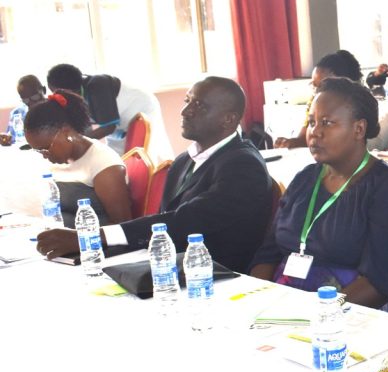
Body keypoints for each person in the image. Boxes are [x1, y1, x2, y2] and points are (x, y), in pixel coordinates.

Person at [35, 77, 273, 273]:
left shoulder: (243, 165)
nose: (185, 111)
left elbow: (184, 221)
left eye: (199, 106)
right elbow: (163, 224)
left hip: (216, 275)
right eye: (187, 100)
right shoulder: (184, 161)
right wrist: (91, 249)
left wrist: (96, 236)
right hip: (174, 266)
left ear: (228, 119)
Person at [251, 78, 388, 311]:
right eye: (312, 122)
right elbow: (268, 254)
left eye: (327, 123)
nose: (315, 133)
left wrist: (321, 314)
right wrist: (260, 302)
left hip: (349, 312)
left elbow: (381, 283)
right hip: (286, 305)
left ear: (359, 129)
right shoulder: (305, 178)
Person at [23, 90, 131, 225]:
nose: (44, 155)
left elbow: (123, 225)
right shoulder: (61, 159)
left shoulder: (104, 165)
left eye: (46, 148)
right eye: (38, 150)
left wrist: (72, 239)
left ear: (66, 132)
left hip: (92, 242)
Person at [46, 63, 174, 162]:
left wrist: (77, 141)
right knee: (117, 157)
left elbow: (108, 127)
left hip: (140, 108)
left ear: (66, 89)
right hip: (119, 120)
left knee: (146, 154)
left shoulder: (97, 86)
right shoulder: (72, 93)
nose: (54, 95)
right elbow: (85, 126)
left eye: (55, 91)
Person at [273, 50, 363, 149]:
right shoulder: (313, 102)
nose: (316, 92)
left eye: (322, 86)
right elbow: (305, 137)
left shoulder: (356, 107)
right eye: (314, 85)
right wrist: (291, 143)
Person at [3, 75, 47, 145]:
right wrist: (6, 139)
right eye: (26, 100)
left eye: (35, 97)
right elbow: (12, 138)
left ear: (44, 90)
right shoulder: (17, 113)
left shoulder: (55, 110)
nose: (31, 103)